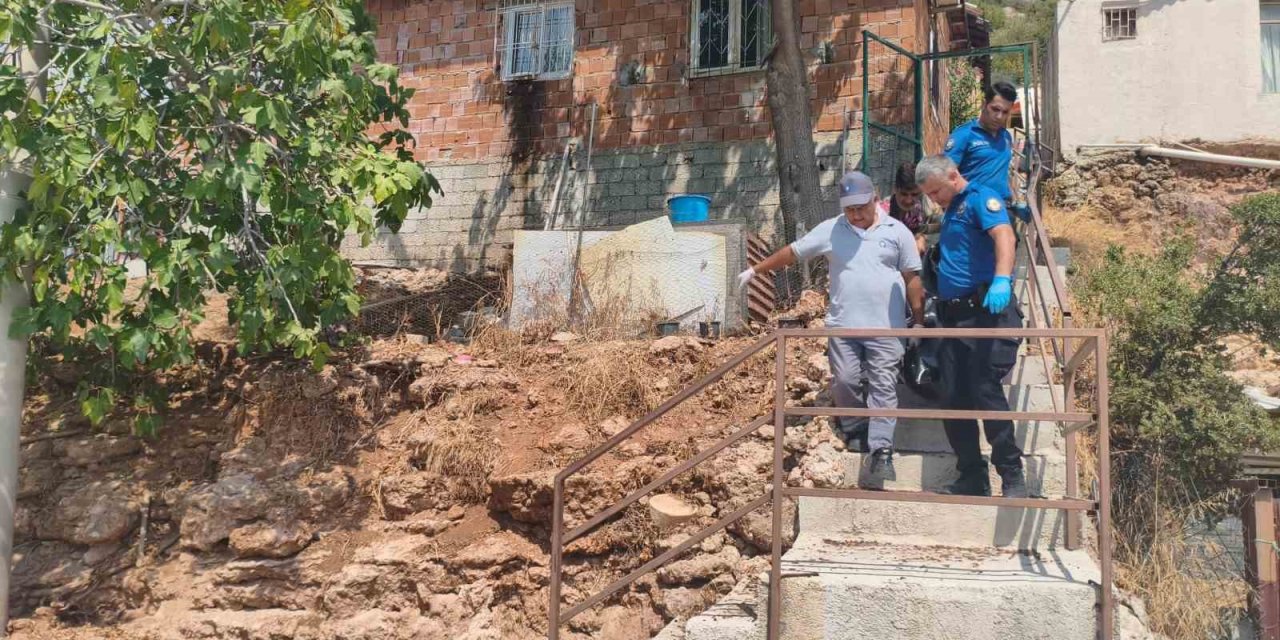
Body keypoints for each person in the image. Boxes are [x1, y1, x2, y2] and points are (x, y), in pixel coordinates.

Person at [737, 171, 924, 480]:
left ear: (875, 199)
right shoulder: (832, 229)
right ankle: (853, 426)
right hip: (844, 327)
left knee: (883, 385)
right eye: (849, 209)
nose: (856, 215)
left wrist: (917, 322)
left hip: (887, 328)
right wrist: (756, 270)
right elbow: (794, 252)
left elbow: (912, 279)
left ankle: (881, 451)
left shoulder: (898, 231)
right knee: (846, 380)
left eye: (861, 208)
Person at [914, 155, 1028, 498]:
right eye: (929, 195)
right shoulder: (951, 211)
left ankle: (1011, 475)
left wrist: (1002, 279)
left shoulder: (981, 197)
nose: (934, 199)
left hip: (984, 312)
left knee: (985, 390)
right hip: (951, 318)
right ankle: (972, 477)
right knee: (952, 396)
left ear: (953, 175)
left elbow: (1004, 235)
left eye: (936, 191)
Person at [944, 81, 1031, 224]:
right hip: (971, 213)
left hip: (1001, 211)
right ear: (984, 105)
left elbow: (1004, 172)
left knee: (1007, 244)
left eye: (1005, 112)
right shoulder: (964, 135)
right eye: (995, 109)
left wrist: (1015, 201)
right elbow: (945, 174)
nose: (999, 116)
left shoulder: (1006, 137)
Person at [876, 162, 930, 256]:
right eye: (904, 194)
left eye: (914, 195)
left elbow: (917, 230)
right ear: (895, 189)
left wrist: (920, 238)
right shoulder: (882, 213)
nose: (909, 200)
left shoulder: (916, 208)